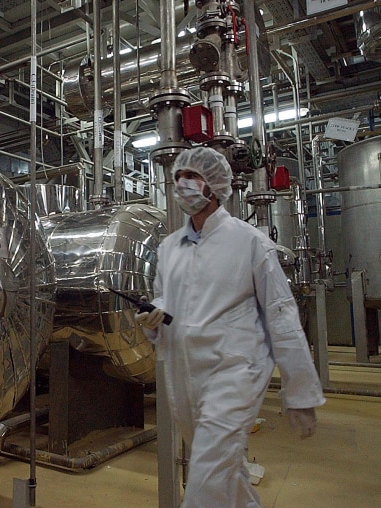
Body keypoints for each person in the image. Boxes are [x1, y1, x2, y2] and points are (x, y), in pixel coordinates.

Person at [135, 146, 325, 507]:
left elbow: (282, 317)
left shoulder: (250, 242)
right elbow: (164, 299)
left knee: (207, 475)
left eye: (193, 177)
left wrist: (299, 392)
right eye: (179, 179)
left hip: (234, 371)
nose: (184, 186)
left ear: (217, 185)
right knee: (224, 470)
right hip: (185, 374)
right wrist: (153, 317)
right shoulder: (169, 248)